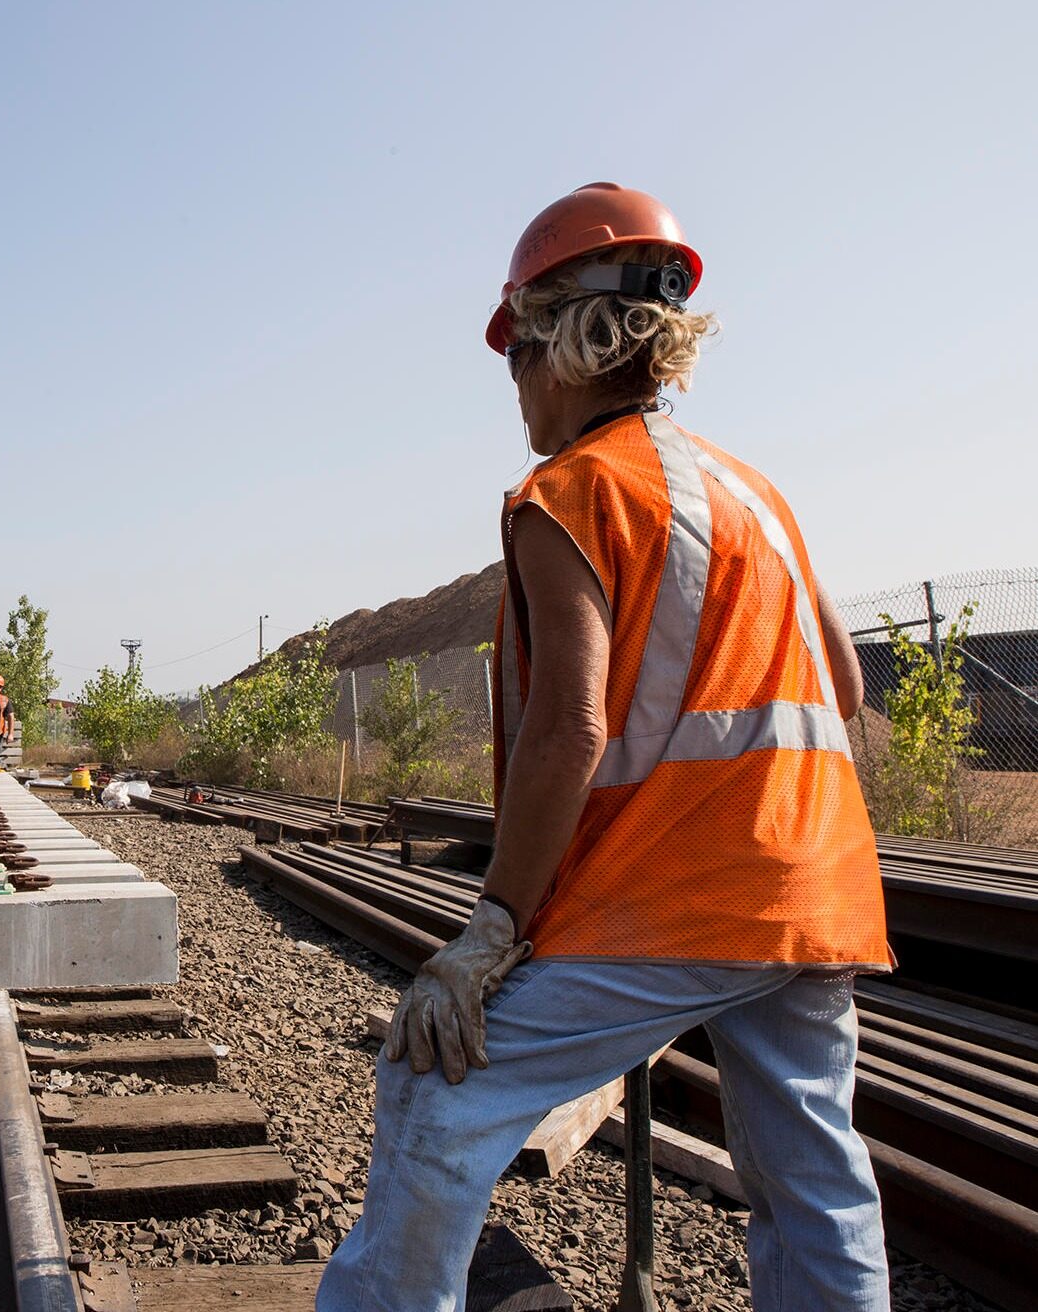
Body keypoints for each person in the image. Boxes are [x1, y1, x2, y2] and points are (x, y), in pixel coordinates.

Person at [317, 183, 892, 1310]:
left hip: (675, 898)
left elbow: (567, 727)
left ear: (564, 345)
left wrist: (491, 933)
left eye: (517, 358)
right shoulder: (755, 493)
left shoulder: (571, 492)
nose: (518, 391)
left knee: (435, 1086)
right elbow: (847, 685)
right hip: (812, 895)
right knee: (814, 1179)